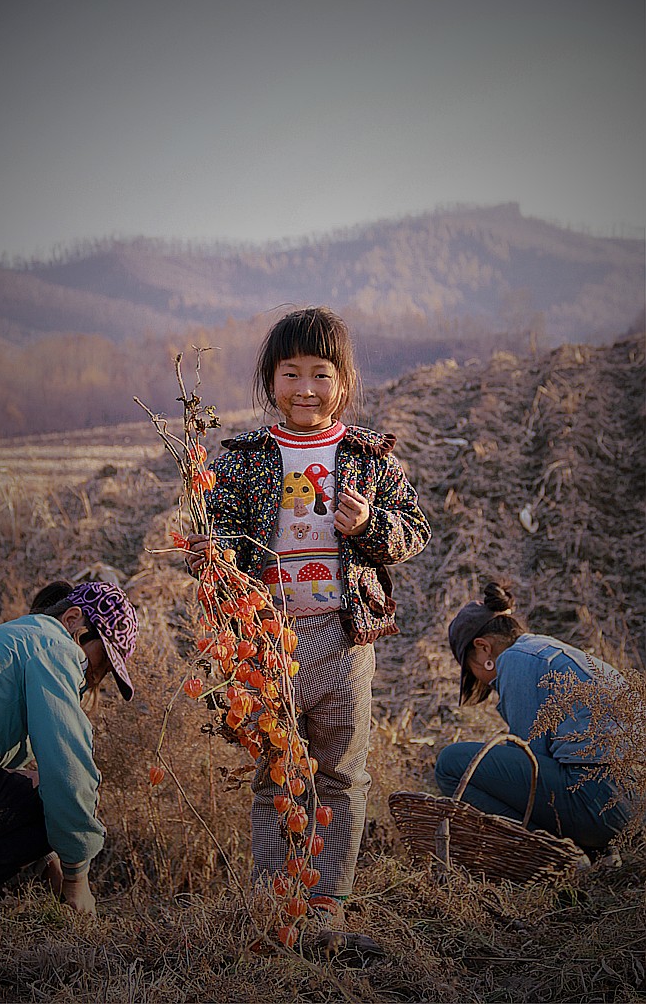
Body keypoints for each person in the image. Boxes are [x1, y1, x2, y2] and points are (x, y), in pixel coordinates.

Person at [185, 306, 431, 952]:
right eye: (290, 374)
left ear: (343, 383)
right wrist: (216, 562)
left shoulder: (368, 457)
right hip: (269, 642)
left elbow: (416, 531)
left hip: (346, 639)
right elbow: (208, 536)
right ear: (271, 382)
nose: (304, 390)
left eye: (319, 375)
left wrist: (369, 525)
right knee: (275, 773)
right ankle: (275, 903)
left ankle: (326, 906)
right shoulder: (244, 458)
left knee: (342, 774)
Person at [0, 580, 138, 914]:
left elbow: (7, 773)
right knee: (54, 794)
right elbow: (68, 773)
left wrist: (51, 858)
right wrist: (77, 877)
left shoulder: (18, 641)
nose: (90, 681)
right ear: (73, 621)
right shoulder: (54, 646)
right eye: (96, 666)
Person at [435, 581, 635, 852]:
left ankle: (551, 851)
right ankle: (594, 851)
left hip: (598, 803)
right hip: (632, 804)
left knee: (450, 764)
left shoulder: (516, 660)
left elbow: (530, 758)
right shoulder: (545, 650)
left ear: (483, 648)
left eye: (471, 671)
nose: (480, 682)